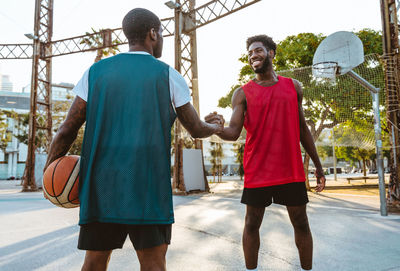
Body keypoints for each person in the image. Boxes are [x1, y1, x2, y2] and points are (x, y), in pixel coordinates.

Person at [44, 8, 223, 271]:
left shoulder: (95, 73)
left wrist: (51, 171)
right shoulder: (168, 75)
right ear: (152, 33)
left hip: (101, 188)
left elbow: (66, 130)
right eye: (160, 32)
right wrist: (215, 125)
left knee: (94, 263)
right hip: (148, 188)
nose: (161, 38)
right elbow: (196, 129)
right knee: (153, 265)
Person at [206, 35, 326, 271]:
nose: (253, 56)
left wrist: (318, 166)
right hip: (258, 170)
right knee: (252, 223)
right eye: (250, 53)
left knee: (301, 222)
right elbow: (232, 132)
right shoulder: (242, 93)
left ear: (271, 53)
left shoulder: (294, 87)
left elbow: (303, 129)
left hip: (289, 169)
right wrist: (216, 129)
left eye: (258, 50)